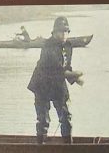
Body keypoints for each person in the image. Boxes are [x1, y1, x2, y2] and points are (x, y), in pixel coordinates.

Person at [27, 17, 84, 145]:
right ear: (54, 32)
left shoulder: (68, 45)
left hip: (58, 83)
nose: (63, 35)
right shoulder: (48, 45)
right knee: (43, 118)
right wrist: (73, 74)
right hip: (42, 83)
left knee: (65, 116)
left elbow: (66, 66)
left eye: (66, 32)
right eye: (60, 32)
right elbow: (55, 67)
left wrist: (75, 79)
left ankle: (68, 146)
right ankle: (40, 146)